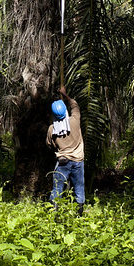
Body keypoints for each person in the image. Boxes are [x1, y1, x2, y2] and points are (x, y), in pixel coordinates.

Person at [47, 86, 84, 216]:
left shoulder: (52, 129)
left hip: (62, 162)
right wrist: (65, 94)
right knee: (79, 188)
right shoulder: (75, 121)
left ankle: (53, 216)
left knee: (57, 189)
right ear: (65, 111)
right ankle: (79, 215)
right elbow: (75, 105)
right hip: (78, 161)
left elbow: (49, 144)